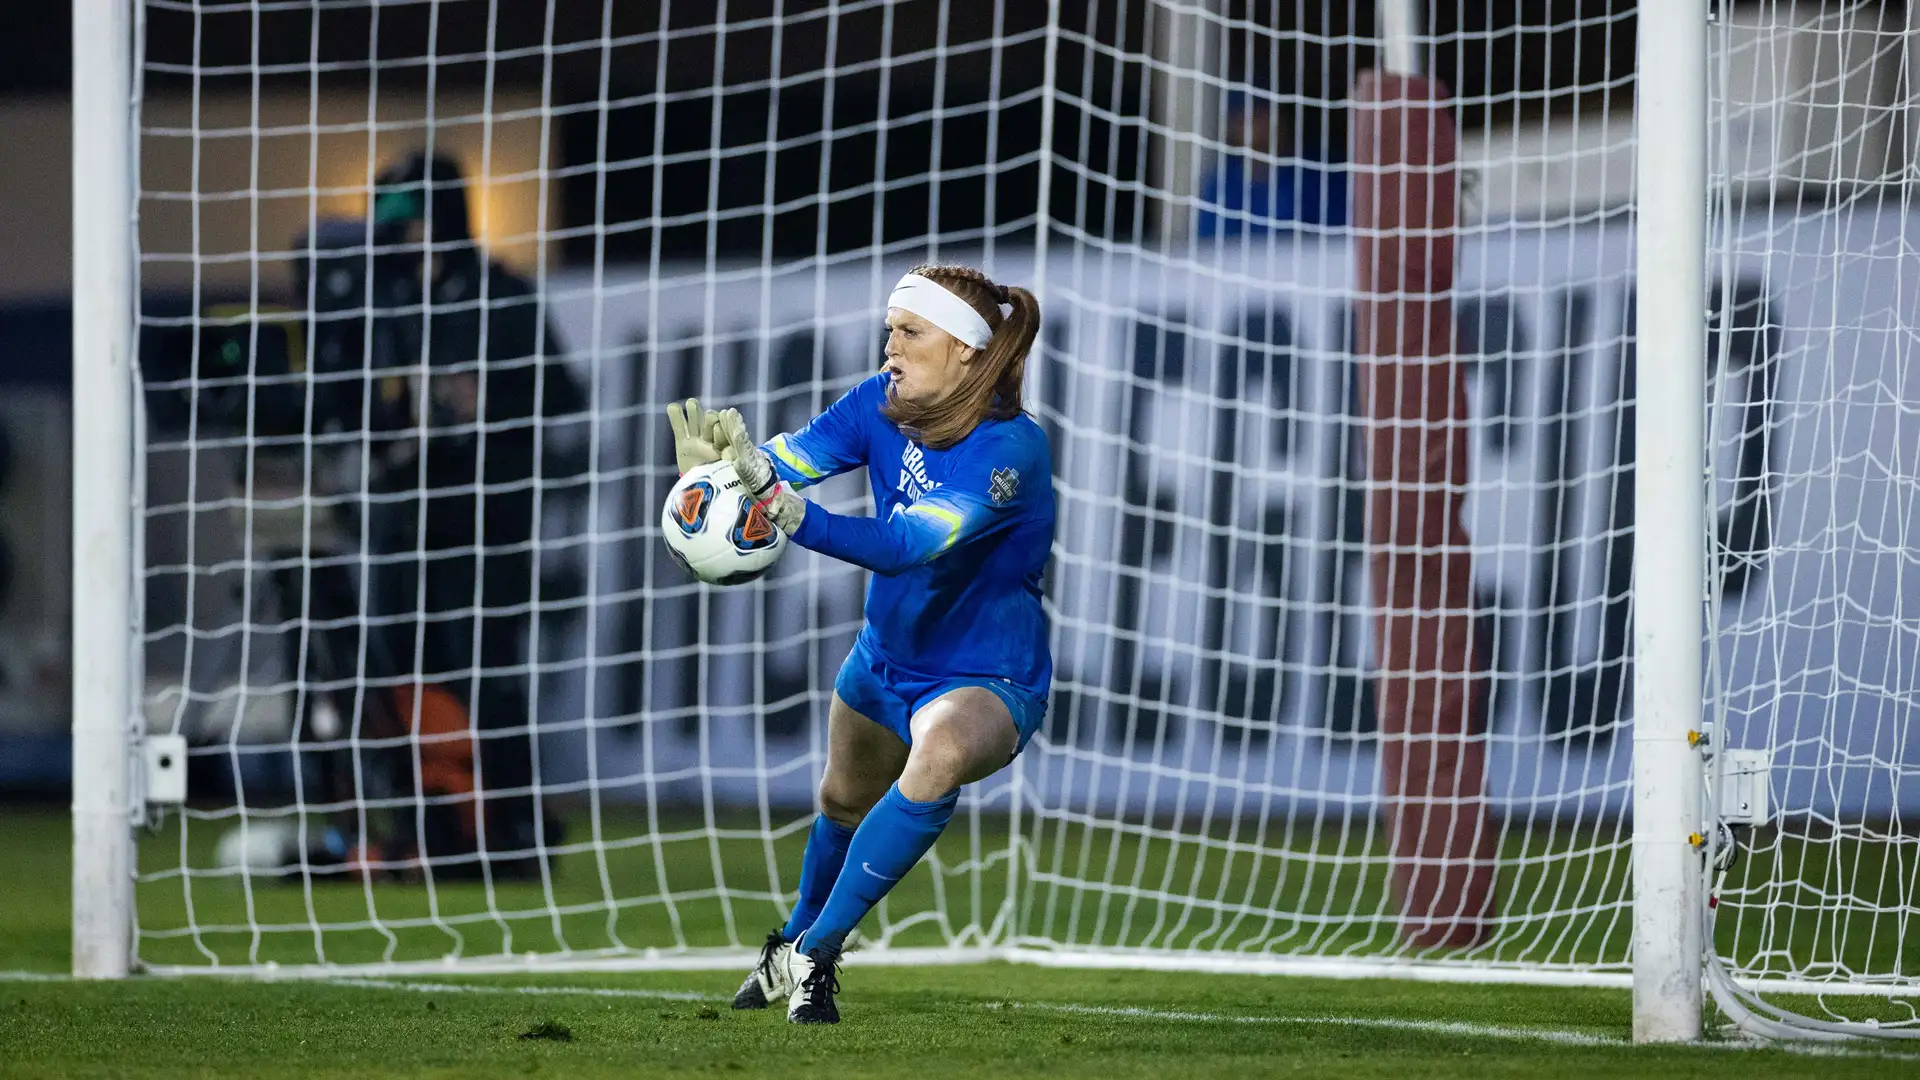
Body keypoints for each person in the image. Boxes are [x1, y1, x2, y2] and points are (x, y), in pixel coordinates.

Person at [667, 266, 1053, 1024]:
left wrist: (787, 511)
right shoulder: (880, 403)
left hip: (986, 676)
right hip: (883, 659)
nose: (890, 348)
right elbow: (785, 462)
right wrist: (712, 482)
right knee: (841, 799)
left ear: (966, 349)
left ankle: (817, 952)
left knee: (939, 754)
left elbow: (908, 545)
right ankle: (789, 943)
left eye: (910, 332)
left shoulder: (1011, 452)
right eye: (889, 331)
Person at [364, 149, 588, 880]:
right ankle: (433, 819)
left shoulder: (501, 294)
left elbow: (562, 393)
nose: (405, 233)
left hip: (484, 519)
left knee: (485, 671)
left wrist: (483, 398)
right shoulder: (387, 302)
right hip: (405, 515)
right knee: (402, 666)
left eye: (415, 217)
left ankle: (511, 825)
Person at [1195, 94, 1348, 239]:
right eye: (1242, 116)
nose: (1252, 125)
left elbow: (1336, 237)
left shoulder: (1316, 174)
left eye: (1259, 114)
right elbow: (1208, 242)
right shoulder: (1222, 184)